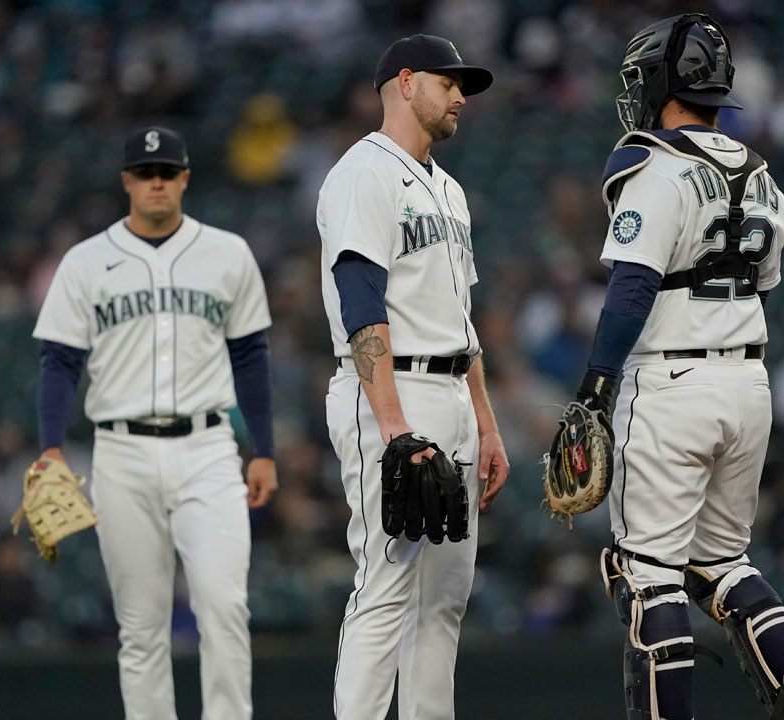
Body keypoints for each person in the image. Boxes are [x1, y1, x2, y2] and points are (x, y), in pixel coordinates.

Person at [568, 14, 784, 720]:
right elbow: (764, 280)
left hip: (670, 383)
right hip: (747, 382)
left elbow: (632, 289)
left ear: (663, 82)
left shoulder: (654, 167)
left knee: (649, 575)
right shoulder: (762, 176)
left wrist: (595, 387)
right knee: (724, 563)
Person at [32, 126, 278, 720]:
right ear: (127, 182)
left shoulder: (227, 253)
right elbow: (60, 361)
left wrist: (264, 449)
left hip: (208, 449)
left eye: (168, 171)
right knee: (141, 625)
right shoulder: (86, 261)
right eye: (146, 173)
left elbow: (251, 354)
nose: (158, 181)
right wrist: (50, 448)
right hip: (122, 455)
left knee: (224, 606)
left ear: (186, 178)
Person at [316, 35, 510, 720]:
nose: (460, 96)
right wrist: (394, 426)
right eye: (448, 81)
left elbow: (462, 319)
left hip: (451, 389)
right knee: (386, 587)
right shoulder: (362, 173)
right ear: (404, 82)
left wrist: (485, 422)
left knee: (444, 601)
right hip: (388, 394)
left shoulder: (450, 191)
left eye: (464, 86)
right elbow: (360, 303)